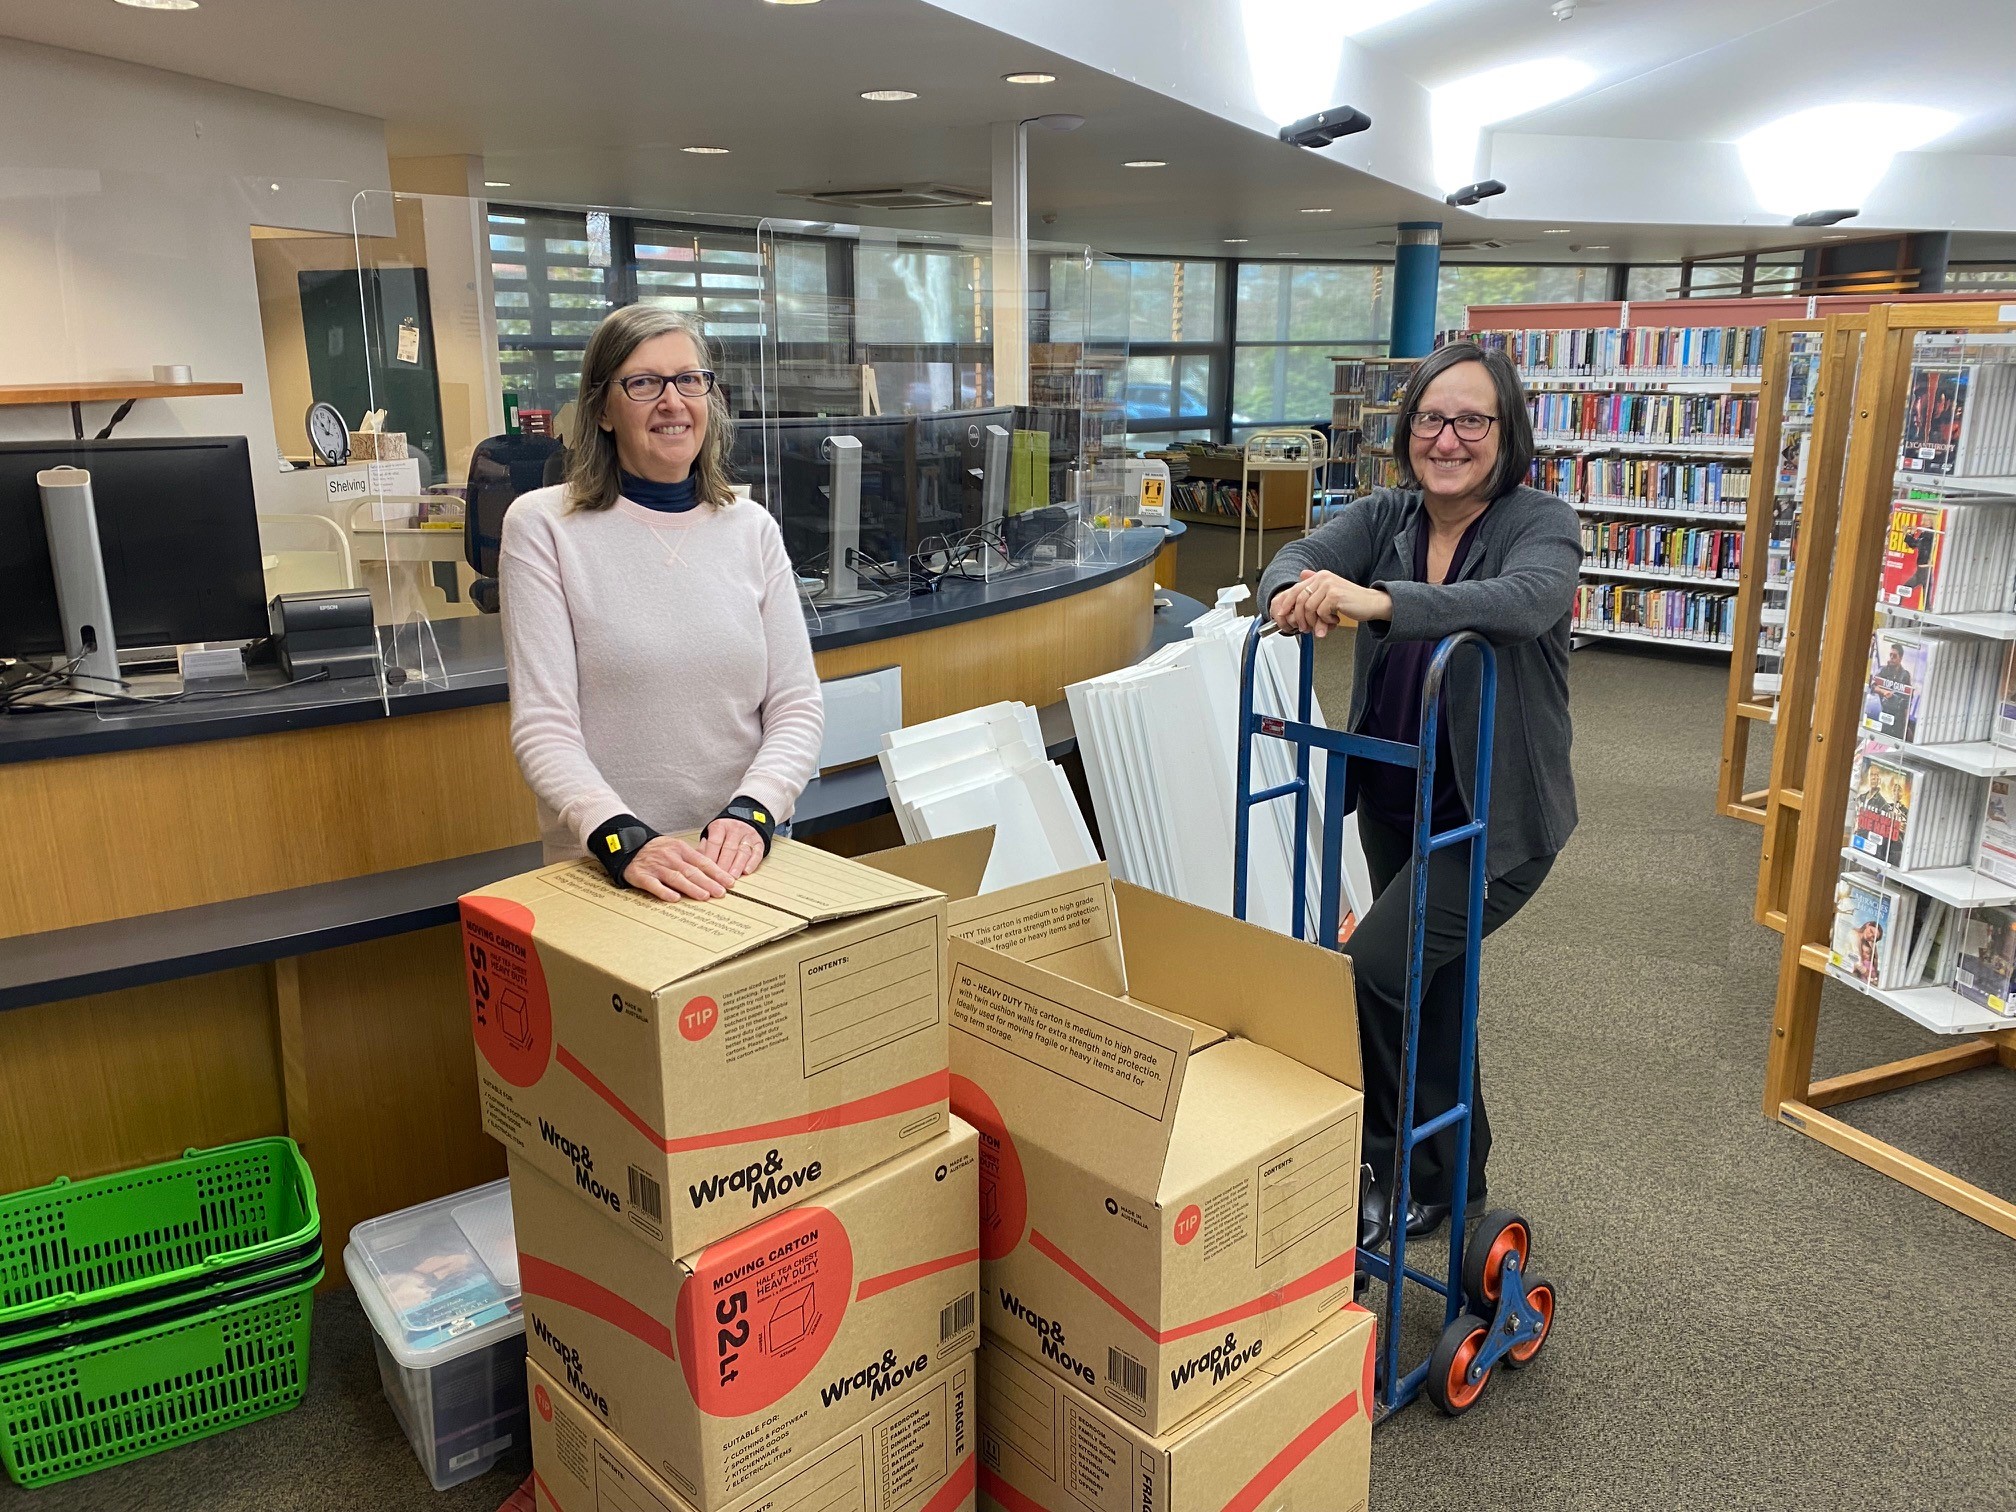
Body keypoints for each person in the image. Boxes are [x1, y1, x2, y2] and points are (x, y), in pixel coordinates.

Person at [1259, 341, 1578, 1252]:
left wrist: (1376, 603)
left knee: (1378, 970)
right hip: (1401, 798)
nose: (1448, 438)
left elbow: (1520, 602)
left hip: (1495, 823)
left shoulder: (1542, 522)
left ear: (1505, 431)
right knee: (1432, 988)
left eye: (1472, 419)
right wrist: (1300, 593)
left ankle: (1393, 1167)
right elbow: (1299, 558)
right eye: (1432, 419)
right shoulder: (1387, 514)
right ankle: (1458, 1174)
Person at [499, 306, 824, 898]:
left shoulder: (751, 528)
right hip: (608, 869)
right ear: (602, 408)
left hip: (743, 862)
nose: (673, 402)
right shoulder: (544, 526)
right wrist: (621, 838)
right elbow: (544, 726)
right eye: (644, 384)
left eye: (689, 380)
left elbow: (796, 706)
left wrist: (754, 813)